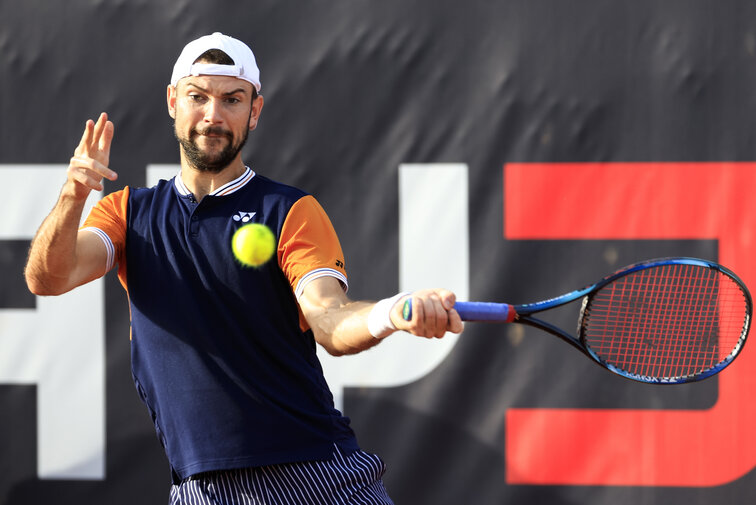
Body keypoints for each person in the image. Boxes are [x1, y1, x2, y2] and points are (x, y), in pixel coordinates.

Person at [24, 32, 463, 504]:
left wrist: (390, 313)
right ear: (174, 101)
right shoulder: (126, 214)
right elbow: (48, 278)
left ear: (253, 112)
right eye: (198, 97)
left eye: (232, 100)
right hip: (198, 491)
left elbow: (330, 321)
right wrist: (73, 194)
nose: (213, 116)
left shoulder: (290, 210)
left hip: (316, 479)